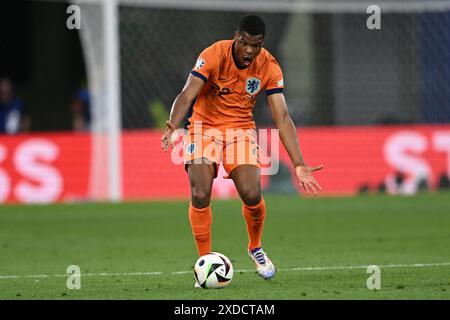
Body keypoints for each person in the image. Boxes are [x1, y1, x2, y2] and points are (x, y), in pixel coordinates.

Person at [161, 15, 323, 285]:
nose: (249, 50)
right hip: (204, 126)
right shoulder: (214, 54)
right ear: (236, 36)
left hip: (240, 130)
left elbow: (282, 117)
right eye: (245, 43)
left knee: (251, 193)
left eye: (256, 45)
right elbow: (188, 93)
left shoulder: (269, 66)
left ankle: (255, 247)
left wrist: (298, 163)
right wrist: (172, 125)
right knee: (200, 192)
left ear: (262, 43)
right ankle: (205, 260)